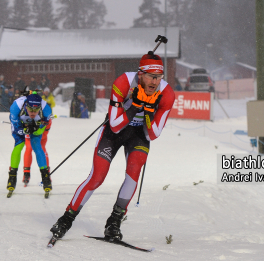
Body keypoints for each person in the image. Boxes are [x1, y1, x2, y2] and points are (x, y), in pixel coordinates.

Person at [49, 51, 175, 241]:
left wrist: (148, 112)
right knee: (97, 177)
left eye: (159, 77)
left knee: (133, 173)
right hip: (114, 132)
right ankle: (66, 219)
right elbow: (115, 125)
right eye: (151, 76)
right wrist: (134, 105)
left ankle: (114, 222)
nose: (154, 82)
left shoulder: (167, 94)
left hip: (139, 135)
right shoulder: (123, 82)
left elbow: (153, 134)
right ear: (140, 74)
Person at [7, 92, 52, 195]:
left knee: (37, 145)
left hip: (36, 124)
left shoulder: (46, 109)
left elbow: (42, 129)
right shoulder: (16, 107)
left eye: (36, 110)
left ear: (40, 108)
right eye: (30, 109)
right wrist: (25, 130)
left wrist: (36, 130)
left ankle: (46, 178)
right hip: (19, 122)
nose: (33, 112)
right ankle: (12, 176)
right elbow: (16, 127)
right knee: (19, 145)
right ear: (26, 105)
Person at [22, 86, 55, 184]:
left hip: (43, 126)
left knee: (41, 147)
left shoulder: (42, 105)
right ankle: (26, 173)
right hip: (32, 125)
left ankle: (46, 174)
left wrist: (40, 128)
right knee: (29, 147)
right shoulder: (23, 104)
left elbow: (48, 121)